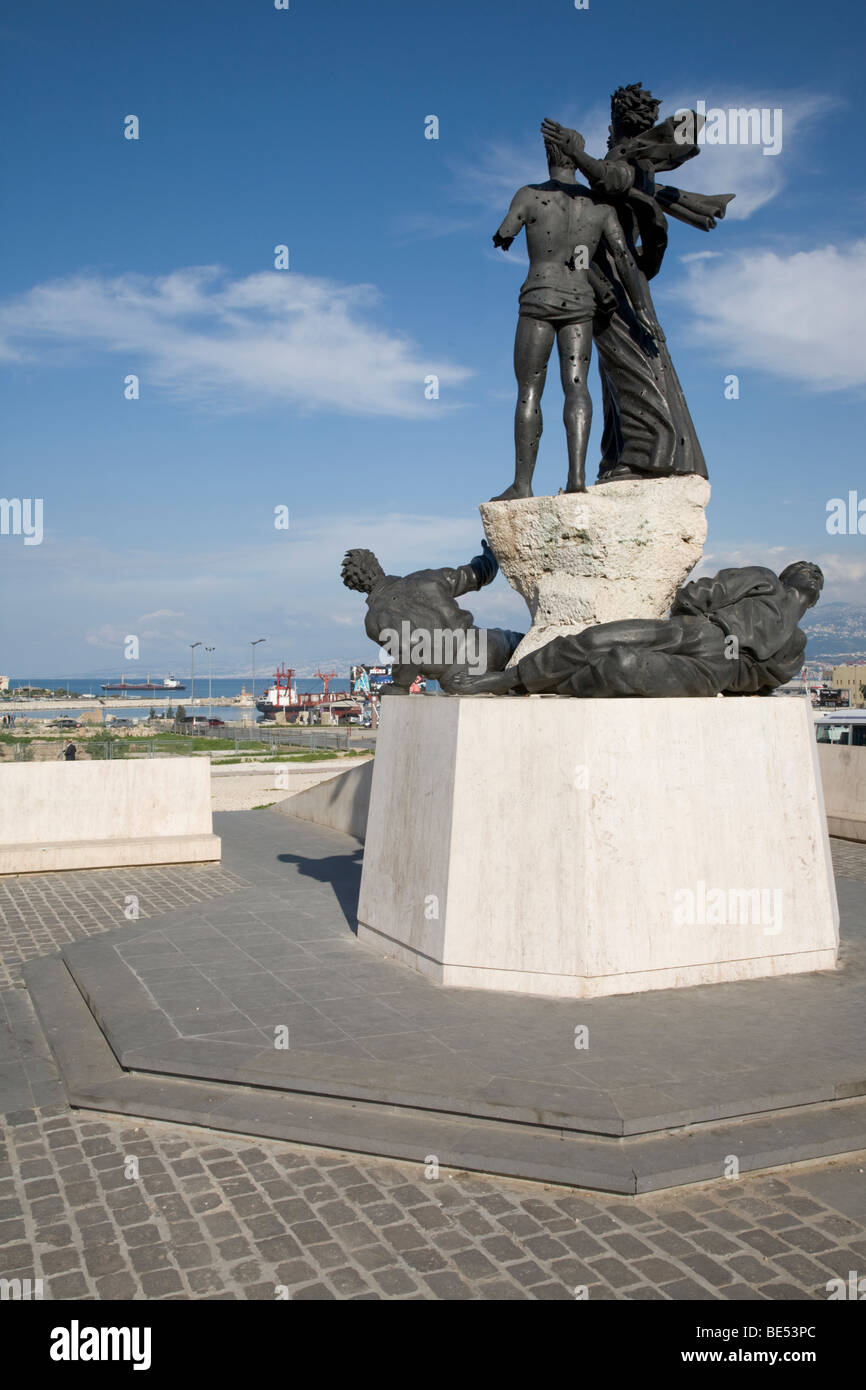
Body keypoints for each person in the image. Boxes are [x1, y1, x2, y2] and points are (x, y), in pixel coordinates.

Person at [541, 83, 734, 482]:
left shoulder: (631, 160)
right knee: (617, 365)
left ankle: (649, 454)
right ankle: (618, 456)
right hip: (612, 268)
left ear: (616, 119)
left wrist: (575, 152)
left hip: (614, 270)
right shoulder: (642, 164)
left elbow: (609, 179)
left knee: (629, 360)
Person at [490, 133, 658, 500]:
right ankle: (577, 479)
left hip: (539, 297)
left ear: (548, 154)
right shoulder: (598, 207)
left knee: (529, 391)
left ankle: (522, 484)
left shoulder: (530, 195)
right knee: (576, 385)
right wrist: (643, 311)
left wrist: (504, 235)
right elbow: (626, 260)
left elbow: (505, 232)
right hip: (580, 300)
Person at [446, 562, 823, 700]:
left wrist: (693, 621)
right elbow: (756, 683)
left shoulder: (790, 635)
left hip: (707, 649)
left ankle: (526, 681)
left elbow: (699, 593)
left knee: (614, 657)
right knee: (608, 651)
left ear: (788, 574)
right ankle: (511, 679)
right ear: (814, 599)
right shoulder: (792, 641)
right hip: (707, 648)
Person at [341, 540, 524, 693]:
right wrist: (490, 555)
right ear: (377, 566)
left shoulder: (376, 617)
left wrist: (400, 685)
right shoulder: (424, 578)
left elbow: (409, 649)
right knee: (536, 649)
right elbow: (475, 575)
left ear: (355, 586)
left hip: (460, 675)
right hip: (490, 642)